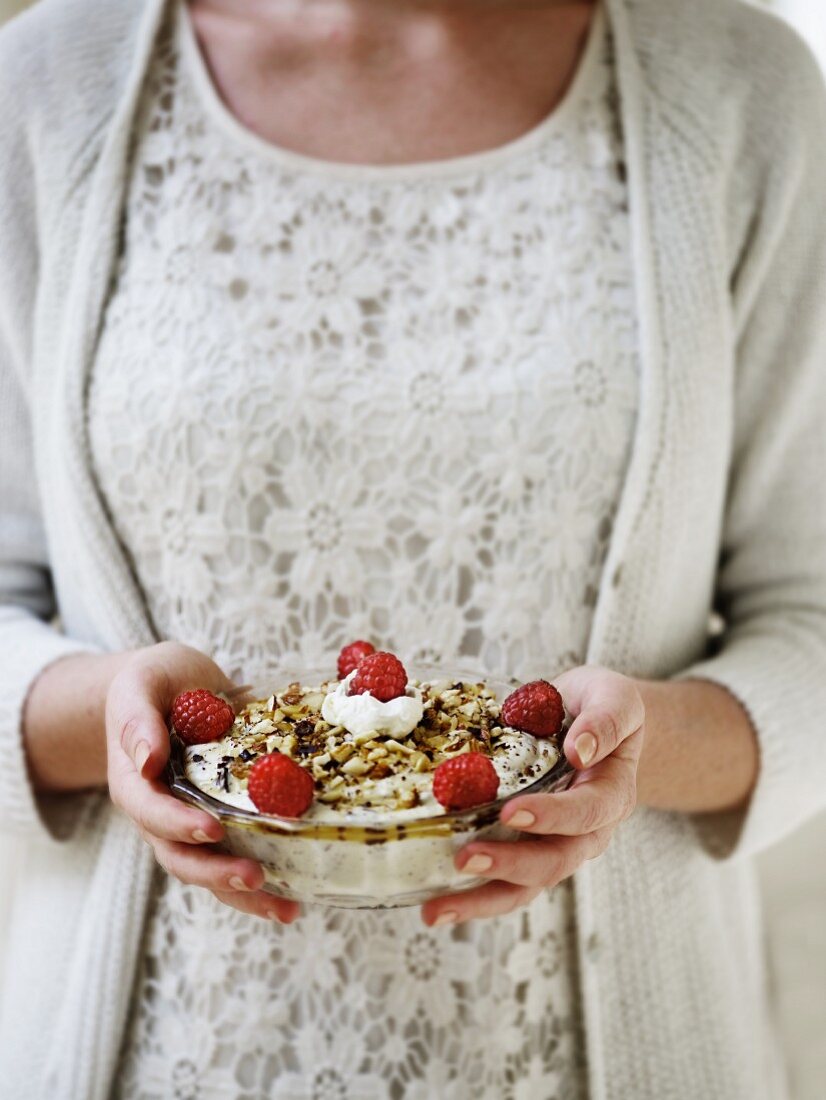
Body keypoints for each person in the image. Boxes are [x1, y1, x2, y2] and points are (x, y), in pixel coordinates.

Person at [1, 0, 825, 1096]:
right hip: (153, 1055)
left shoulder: (738, 87)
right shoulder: (47, 87)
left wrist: (633, 757)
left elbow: (810, 615)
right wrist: (107, 710)